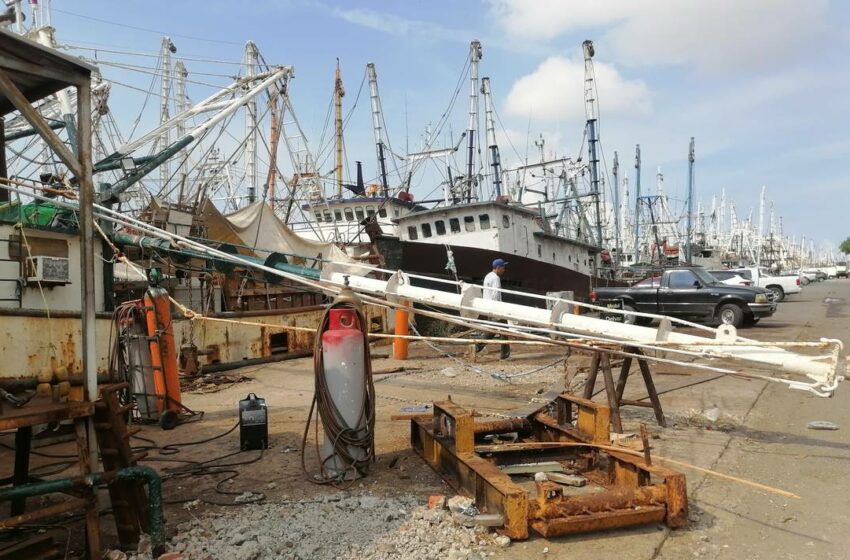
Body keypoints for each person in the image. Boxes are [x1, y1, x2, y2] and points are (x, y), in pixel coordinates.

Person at [477, 259, 511, 359]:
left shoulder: (487, 276)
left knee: (493, 330)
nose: (504, 270)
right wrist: (498, 308)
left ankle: (477, 347)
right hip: (495, 308)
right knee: (503, 330)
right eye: (503, 267)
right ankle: (504, 355)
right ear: (498, 267)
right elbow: (495, 294)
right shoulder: (496, 278)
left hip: (488, 306)